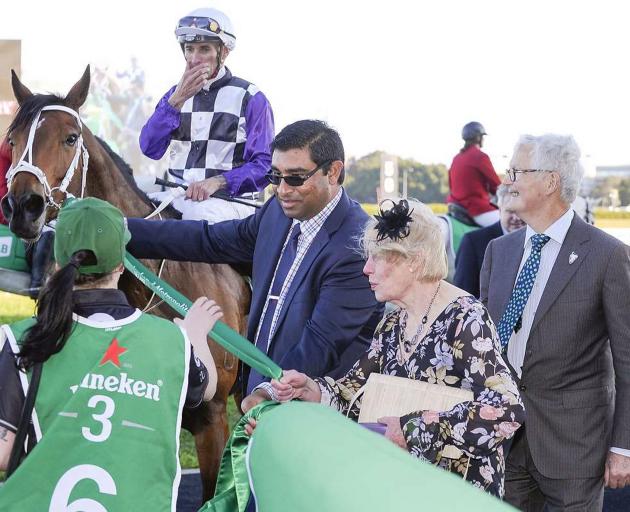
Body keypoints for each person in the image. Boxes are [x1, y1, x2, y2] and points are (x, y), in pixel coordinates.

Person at [269, 199, 525, 498]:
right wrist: (312, 390)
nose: (366, 269)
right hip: (406, 489)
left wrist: (413, 429)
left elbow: (506, 409)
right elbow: (354, 395)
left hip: (456, 495)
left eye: (377, 258)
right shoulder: (391, 324)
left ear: (413, 261)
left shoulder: (465, 317)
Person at [127, 120, 383, 410]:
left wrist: (265, 394)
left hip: (315, 419)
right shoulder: (277, 212)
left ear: (333, 172)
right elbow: (208, 239)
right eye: (276, 176)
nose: (283, 189)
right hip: (261, 403)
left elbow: (321, 344)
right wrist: (123, 230)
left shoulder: (356, 245)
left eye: (296, 177)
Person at [0, 197, 222, 510]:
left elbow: (4, 451)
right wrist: (195, 336)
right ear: (120, 265)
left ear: (58, 262)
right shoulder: (172, 342)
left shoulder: (22, 337)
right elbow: (205, 387)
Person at [480, 134, 630, 510]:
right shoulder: (499, 251)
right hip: (503, 437)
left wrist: (623, 446)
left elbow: (627, 361)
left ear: (550, 181)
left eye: (517, 170)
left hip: (574, 449)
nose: (507, 180)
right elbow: (481, 347)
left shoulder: (608, 256)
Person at [140, 7, 274, 223]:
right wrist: (175, 104)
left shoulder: (252, 97)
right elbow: (149, 148)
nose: (194, 59)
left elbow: (265, 165)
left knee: (196, 217)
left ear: (224, 52)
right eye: (190, 49)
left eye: (204, 49)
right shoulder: (172, 97)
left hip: (232, 202)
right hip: (178, 197)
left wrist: (218, 182)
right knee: (133, 214)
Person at [454, 184, 525, 297]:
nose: (516, 218)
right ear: (499, 210)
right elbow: (462, 295)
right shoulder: (473, 242)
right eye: (510, 211)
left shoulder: (539, 241)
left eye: (521, 211)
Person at [447, 121, 502, 227]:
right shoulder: (480, 156)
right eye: (482, 136)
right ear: (478, 137)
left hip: (455, 206)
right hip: (475, 208)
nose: (483, 139)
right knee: (511, 225)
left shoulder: (456, 158)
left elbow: (451, 185)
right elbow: (497, 186)